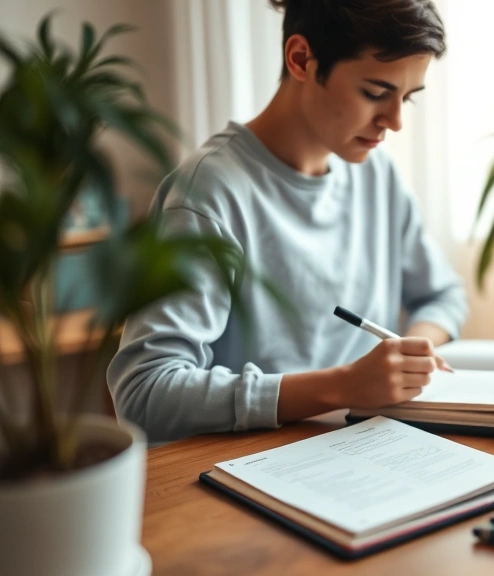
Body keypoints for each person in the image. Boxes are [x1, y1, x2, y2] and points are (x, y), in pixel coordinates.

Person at [107, 0, 466, 443]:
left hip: (370, 448)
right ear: (300, 59)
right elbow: (144, 393)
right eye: (375, 93)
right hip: (250, 469)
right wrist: (341, 386)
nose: (394, 122)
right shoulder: (209, 194)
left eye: (406, 98)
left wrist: (411, 352)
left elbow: (443, 295)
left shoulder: (377, 174)